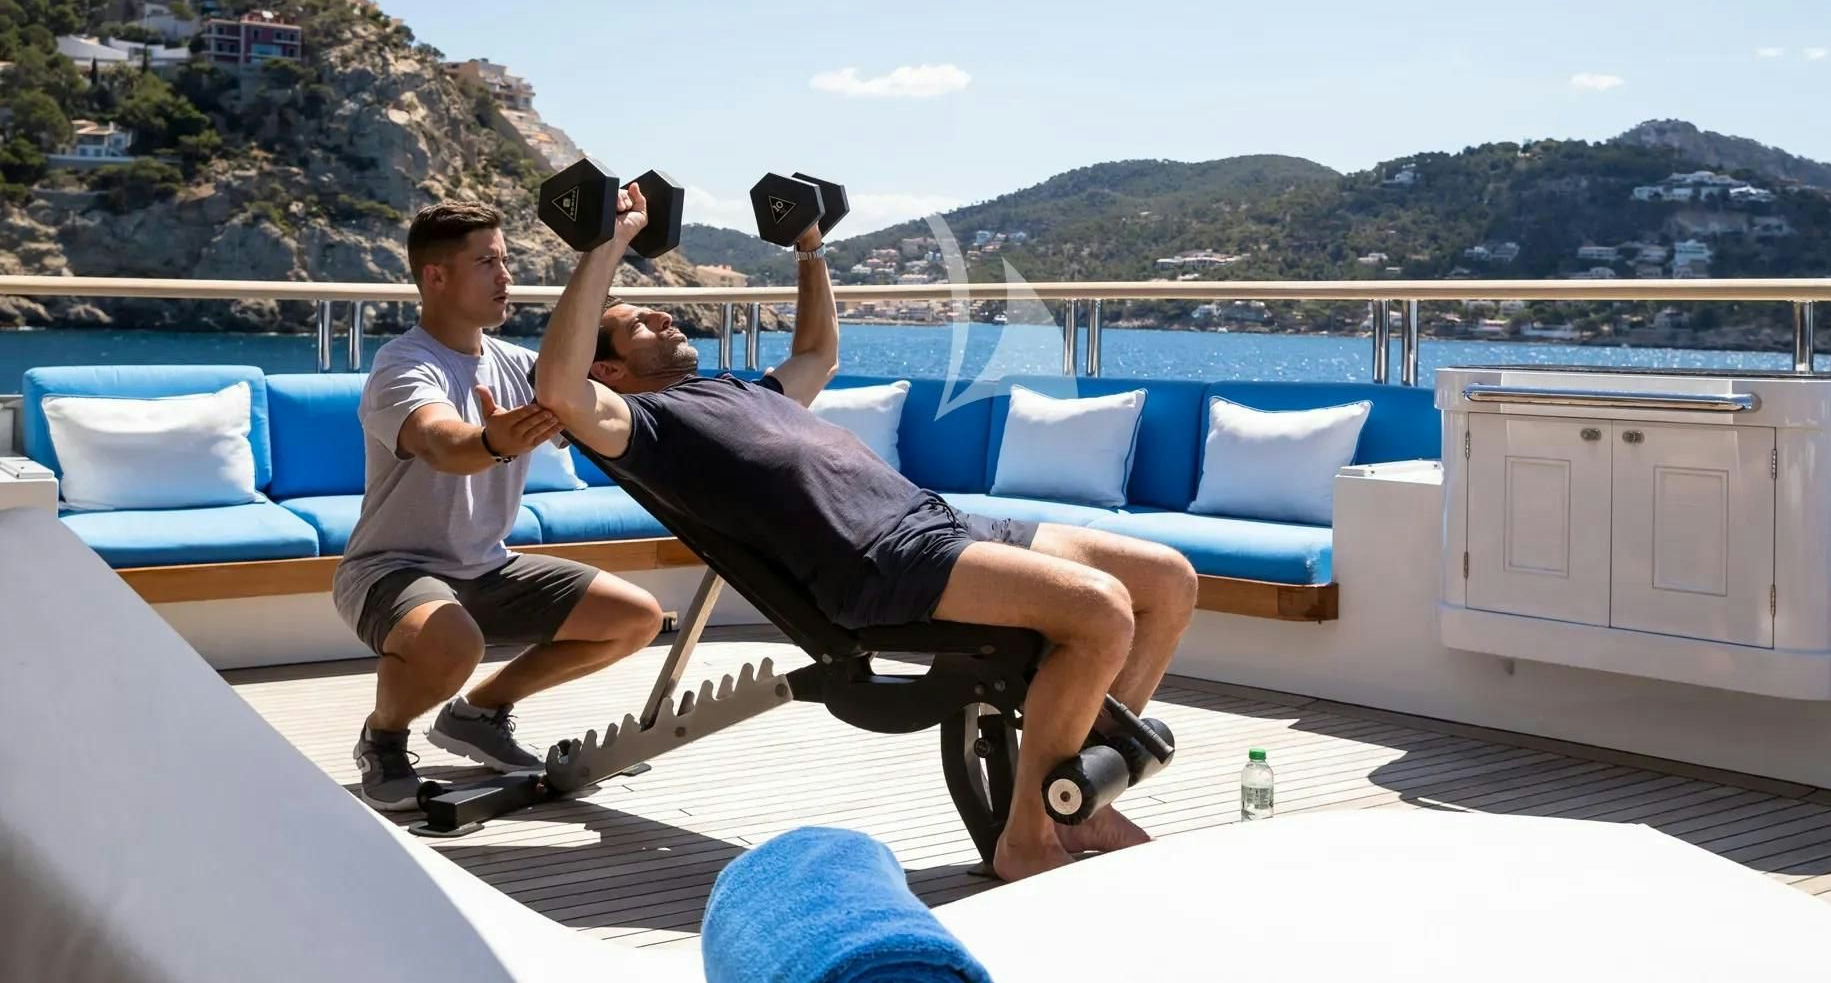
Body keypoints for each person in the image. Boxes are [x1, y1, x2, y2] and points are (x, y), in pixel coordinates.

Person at [532, 184, 1199, 881]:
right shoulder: (646, 428)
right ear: (608, 370)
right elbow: (559, 387)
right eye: (639, 323)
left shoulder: (738, 390)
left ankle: (1076, 795)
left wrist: (810, 246)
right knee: (1100, 610)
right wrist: (608, 243)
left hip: (939, 522)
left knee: (1167, 581)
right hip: (881, 561)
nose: (663, 316)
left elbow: (818, 353)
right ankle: (1028, 837)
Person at [334, 200, 666, 811]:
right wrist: (490, 441)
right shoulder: (403, 365)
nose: (506, 276)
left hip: (489, 567)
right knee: (451, 643)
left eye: (505, 260)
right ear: (436, 276)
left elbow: (605, 401)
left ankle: (478, 716)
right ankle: (383, 739)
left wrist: (615, 248)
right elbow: (440, 443)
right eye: (487, 262)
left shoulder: (519, 365)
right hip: (391, 571)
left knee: (636, 618)